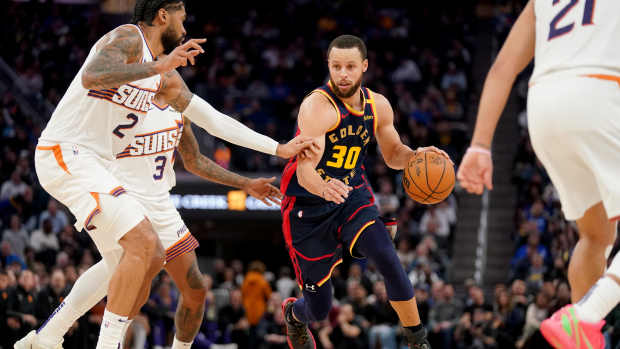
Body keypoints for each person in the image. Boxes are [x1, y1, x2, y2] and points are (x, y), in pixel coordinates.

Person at [26, 0, 316, 347]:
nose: (186, 22)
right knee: (144, 246)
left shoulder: (165, 78)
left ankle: (46, 338)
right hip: (66, 151)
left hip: (96, 164)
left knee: (128, 260)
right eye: (182, 13)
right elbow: (92, 75)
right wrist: (158, 64)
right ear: (163, 14)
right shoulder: (128, 37)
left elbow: (212, 119)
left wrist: (277, 148)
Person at [18, 87, 284, 349]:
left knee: (195, 288)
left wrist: (244, 183)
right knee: (129, 263)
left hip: (160, 201)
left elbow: (194, 161)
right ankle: (81, 338)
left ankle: (49, 335)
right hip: (122, 194)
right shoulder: (124, 97)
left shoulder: (180, 105)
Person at [456, 1, 620, 348]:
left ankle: (580, 339)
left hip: (544, 105)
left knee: (594, 236)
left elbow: (502, 67)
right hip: (601, 89)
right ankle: (585, 316)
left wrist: (481, 145)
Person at [279, 34, 452, 349]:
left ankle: (418, 340)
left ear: (364, 67)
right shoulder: (317, 107)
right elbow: (304, 171)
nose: (342, 73)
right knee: (318, 308)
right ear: (328, 67)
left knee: (388, 258)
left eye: (350, 66)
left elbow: (392, 153)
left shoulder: (378, 106)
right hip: (307, 207)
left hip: (350, 194)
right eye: (336, 66)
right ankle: (294, 314)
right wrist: (322, 186)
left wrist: (416, 156)